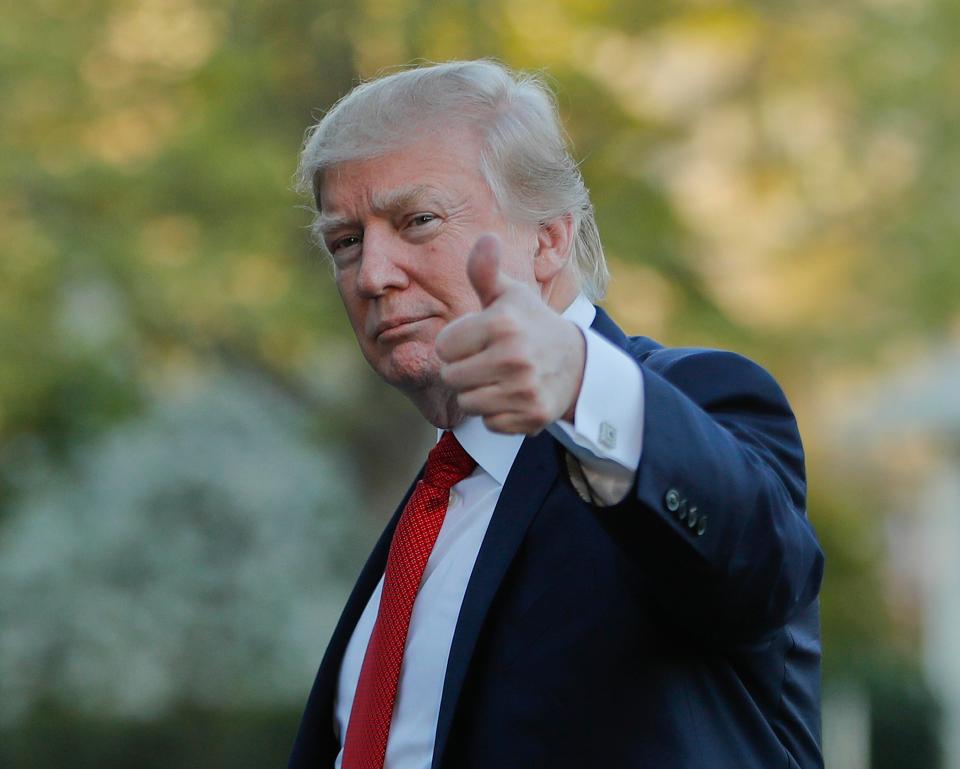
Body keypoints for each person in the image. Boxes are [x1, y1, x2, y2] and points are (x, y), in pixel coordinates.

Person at [288, 59, 824, 769]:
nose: (373, 274)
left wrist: (580, 379)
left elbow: (765, 565)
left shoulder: (688, 404)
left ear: (548, 238)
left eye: (418, 220)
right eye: (346, 242)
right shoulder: (436, 500)